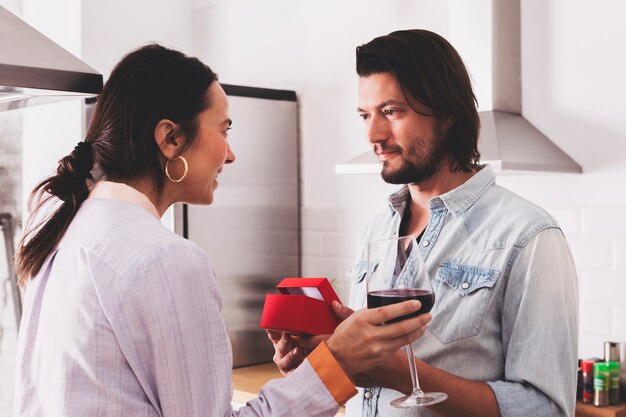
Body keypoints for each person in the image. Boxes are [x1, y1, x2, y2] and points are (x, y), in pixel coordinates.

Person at [12, 44, 433, 417]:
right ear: (170, 140)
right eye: (224, 128)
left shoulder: (69, 227)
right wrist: (338, 359)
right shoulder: (165, 258)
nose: (230, 154)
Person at [269, 29, 579, 417]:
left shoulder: (528, 237)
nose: (373, 135)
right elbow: (362, 379)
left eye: (392, 112)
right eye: (366, 115)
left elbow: (545, 409)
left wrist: (402, 374)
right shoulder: (376, 231)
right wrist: (319, 367)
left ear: (447, 114)